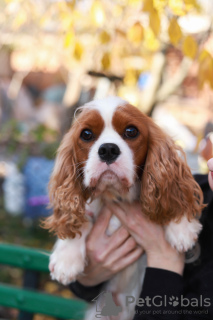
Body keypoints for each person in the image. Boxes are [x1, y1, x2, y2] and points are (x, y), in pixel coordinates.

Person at [70, 158, 213, 319]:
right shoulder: (193, 188)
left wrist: (164, 257)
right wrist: (88, 277)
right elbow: (73, 279)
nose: (211, 163)